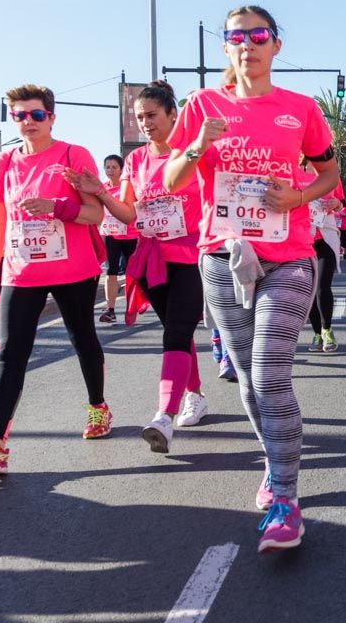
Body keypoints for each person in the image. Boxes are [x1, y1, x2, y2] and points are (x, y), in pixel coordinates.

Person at [164, 4, 338, 553]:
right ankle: (273, 462)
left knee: (268, 376)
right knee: (243, 378)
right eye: (236, 37)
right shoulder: (202, 106)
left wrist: (300, 195)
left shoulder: (300, 109)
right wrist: (198, 144)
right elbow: (173, 179)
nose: (248, 44)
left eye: (258, 35)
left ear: (275, 46)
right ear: (226, 49)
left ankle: (286, 498)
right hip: (221, 256)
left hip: (287, 257)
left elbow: (330, 172)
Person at [0, 84, 111, 476]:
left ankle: (98, 408)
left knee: (83, 339)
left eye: (36, 115)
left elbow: (96, 215)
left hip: (74, 269)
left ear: (51, 118)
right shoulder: (3, 163)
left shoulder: (74, 156)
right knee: (11, 353)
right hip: (21, 272)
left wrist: (55, 207)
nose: (28, 122)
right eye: (19, 115)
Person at [67, 80, 210, 453]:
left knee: (176, 334)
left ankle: (164, 415)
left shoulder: (192, 152)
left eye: (151, 115)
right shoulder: (136, 160)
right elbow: (128, 213)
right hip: (152, 260)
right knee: (175, 333)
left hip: (193, 257)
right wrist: (99, 190)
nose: (145, 122)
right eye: (139, 117)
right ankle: (195, 394)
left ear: (172, 114)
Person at [98, 154, 138, 324]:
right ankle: (110, 309)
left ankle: (132, 307)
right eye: (107, 167)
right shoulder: (101, 189)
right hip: (110, 234)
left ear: (122, 169)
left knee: (132, 273)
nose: (110, 170)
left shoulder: (128, 187)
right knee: (111, 271)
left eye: (114, 167)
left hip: (130, 234)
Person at [306, 168, 342, 353]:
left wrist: (336, 203)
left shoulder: (331, 175)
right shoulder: (294, 173)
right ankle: (317, 333)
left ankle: (327, 330)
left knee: (322, 286)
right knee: (309, 290)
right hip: (302, 242)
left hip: (326, 239)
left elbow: (340, 203)